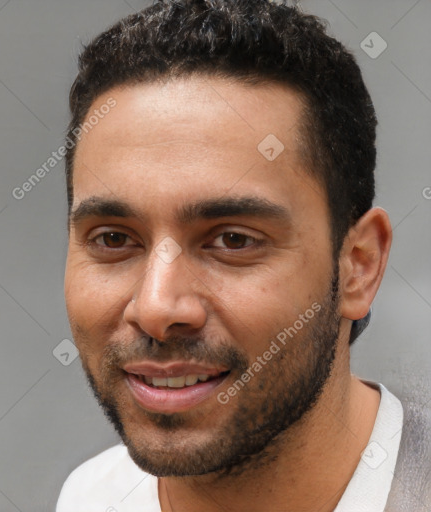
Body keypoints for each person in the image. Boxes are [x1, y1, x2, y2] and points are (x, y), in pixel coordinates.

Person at [56, 1, 431, 510]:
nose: (157, 308)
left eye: (233, 240)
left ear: (358, 266)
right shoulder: (92, 497)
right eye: (113, 239)